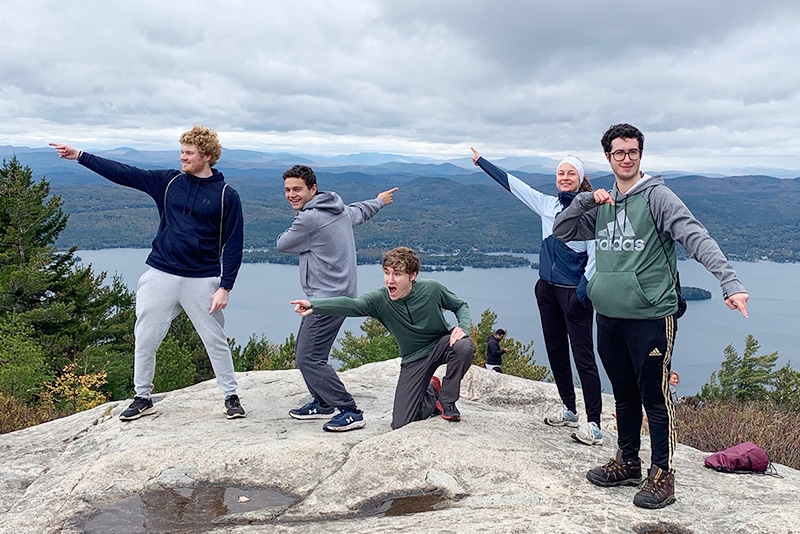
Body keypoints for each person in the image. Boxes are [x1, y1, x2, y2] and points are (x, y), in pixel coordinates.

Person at [552, 123, 749, 509]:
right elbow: (561, 231)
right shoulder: (602, 204)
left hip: (651, 317)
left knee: (654, 397)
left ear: (640, 155)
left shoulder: (658, 197)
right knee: (623, 394)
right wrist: (586, 200)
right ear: (608, 157)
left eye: (632, 152)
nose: (626, 158)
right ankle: (627, 461)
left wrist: (731, 282)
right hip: (608, 315)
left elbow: (696, 237)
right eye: (618, 152)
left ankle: (663, 474)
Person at [49, 126, 246, 421]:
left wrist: (225, 286)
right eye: (181, 151)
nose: (182, 157)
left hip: (202, 278)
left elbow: (234, 243)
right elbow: (124, 172)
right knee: (145, 337)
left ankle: (230, 396)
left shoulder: (226, 196)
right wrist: (80, 156)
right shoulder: (168, 182)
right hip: (161, 273)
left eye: (189, 153)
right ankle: (142, 396)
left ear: (206, 156)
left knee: (214, 339)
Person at [472, 148, 603, 446]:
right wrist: (482, 163)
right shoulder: (547, 205)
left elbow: (596, 253)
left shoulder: (591, 210)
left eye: (571, 173)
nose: (565, 178)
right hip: (547, 288)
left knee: (583, 356)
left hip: (574, 291)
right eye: (561, 173)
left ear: (580, 178)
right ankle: (569, 409)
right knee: (556, 350)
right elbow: (515, 186)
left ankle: (594, 422)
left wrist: (585, 285)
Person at [290, 246, 475, 429]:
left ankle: (448, 401)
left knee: (464, 346)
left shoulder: (432, 289)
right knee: (401, 424)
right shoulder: (380, 300)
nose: (389, 280)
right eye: (386, 273)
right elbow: (351, 305)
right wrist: (314, 305)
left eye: (397, 274)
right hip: (414, 359)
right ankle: (432, 393)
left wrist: (463, 327)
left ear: (412, 275)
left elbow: (461, 306)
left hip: (441, 344)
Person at [277, 164, 398, 432]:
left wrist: (307, 239)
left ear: (313, 189)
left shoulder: (308, 220)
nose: (291, 195)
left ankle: (349, 410)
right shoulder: (338, 209)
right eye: (287, 190)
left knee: (309, 358)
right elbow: (359, 212)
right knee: (307, 352)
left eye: (297, 189)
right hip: (338, 294)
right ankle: (322, 403)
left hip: (326, 298)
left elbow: (283, 243)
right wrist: (379, 200)